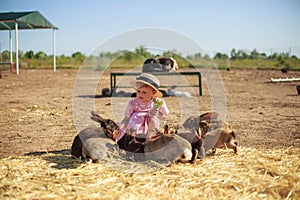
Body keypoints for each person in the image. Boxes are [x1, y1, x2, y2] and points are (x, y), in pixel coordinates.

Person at [116, 73, 169, 142]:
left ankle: (149, 139)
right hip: (136, 125)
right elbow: (127, 118)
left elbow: (166, 113)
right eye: (138, 91)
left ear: (153, 92)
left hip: (151, 125)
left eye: (144, 92)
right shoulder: (133, 103)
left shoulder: (157, 102)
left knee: (152, 120)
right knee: (133, 123)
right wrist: (121, 126)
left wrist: (157, 112)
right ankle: (133, 139)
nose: (140, 94)